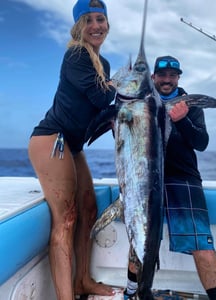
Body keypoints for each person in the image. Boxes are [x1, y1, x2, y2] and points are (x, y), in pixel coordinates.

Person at [124, 56, 216, 300]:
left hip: (182, 178)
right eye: (162, 75)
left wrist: (182, 120)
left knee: (201, 245)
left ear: (178, 78)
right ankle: (130, 292)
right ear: (153, 77)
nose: (167, 80)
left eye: (172, 75)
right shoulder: (140, 103)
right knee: (139, 240)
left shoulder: (190, 105)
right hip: (145, 179)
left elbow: (201, 143)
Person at [28, 1, 116, 299]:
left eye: (100, 19)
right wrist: (127, 87)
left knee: (89, 209)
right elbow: (102, 98)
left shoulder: (102, 65)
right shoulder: (76, 55)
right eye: (88, 20)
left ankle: (82, 281)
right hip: (52, 138)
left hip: (74, 145)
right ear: (78, 27)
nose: (95, 26)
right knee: (66, 217)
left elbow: (102, 110)